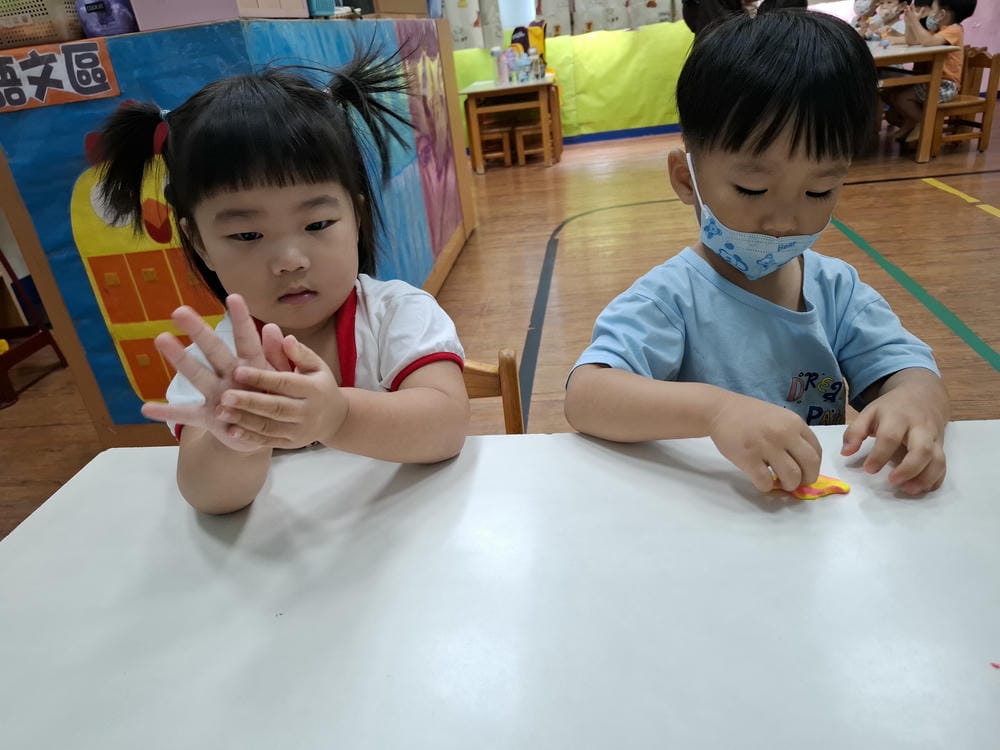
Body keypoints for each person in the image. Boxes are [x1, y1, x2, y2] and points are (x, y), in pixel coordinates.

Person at [564, 11, 948, 497]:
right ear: (687, 179)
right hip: (716, 513)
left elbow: (911, 370)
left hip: (815, 520)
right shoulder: (670, 300)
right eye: (752, 188)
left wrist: (915, 401)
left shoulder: (838, 291)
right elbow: (586, 395)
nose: (784, 221)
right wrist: (715, 411)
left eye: (818, 192)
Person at [96, 50, 470, 514]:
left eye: (317, 224)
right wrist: (236, 442)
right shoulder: (219, 363)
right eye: (247, 235)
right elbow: (208, 498)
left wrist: (337, 416)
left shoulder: (398, 314)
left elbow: (448, 426)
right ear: (200, 243)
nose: (290, 261)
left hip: (410, 527)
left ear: (355, 217)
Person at [882, 0, 978, 143]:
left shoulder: (954, 30)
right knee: (890, 93)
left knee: (903, 98)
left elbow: (928, 41)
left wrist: (915, 22)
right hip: (931, 81)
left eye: (932, 9)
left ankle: (923, 123)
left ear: (942, 14)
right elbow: (911, 41)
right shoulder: (937, 30)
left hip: (944, 85)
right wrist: (910, 23)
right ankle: (912, 122)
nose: (930, 13)